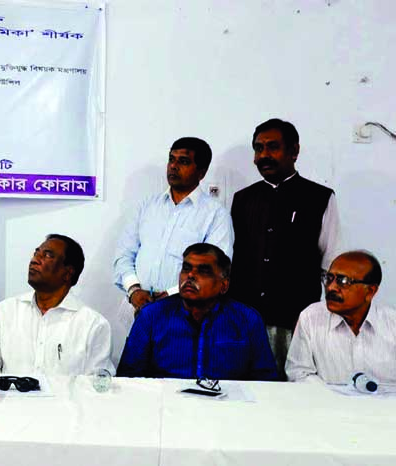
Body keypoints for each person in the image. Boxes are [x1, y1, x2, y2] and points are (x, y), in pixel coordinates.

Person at [230, 118, 340, 377]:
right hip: (244, 320)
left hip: (294, 322)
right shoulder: (242, 199)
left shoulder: (319, 197)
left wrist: (322, 319)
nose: (263, 155)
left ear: (294, 151)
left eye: (272, 147)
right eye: (258, 148)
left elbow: (331, 263)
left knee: (290, 394)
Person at [111, 137, 233, 364]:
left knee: (174, 377)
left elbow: (214, 269)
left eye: (184, 161)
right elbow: (123, 255)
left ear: (202, 171)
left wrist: (168, 296)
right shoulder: (147, 206)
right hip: (135, 309)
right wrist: (134, 291)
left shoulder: (215, 215)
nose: (173, 167)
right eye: (171, 160)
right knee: (132, 381)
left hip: (182, 315)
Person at [117, 243, 277, 380]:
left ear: (224, 285)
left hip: (228, 409)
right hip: (166, 407)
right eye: (186, 269)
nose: (191, 275)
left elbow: (265, 381)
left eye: (204, 271)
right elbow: (128, 378)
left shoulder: (248, 320)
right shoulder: (151, 316)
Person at [0, 234, 114, 376]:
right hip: (10, 398)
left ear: (68, 272)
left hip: (67, 399)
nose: (34, 260)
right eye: (36, 253)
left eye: (47, 255)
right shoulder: (5, 312)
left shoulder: (93, 324)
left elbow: (97, 385)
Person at [286, 251, 395, 384]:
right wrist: (333, 399)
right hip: (328, 403)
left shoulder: (392, 323)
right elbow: (298, 373)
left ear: (370, 291)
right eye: (328, 278)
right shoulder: (310, 317)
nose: (331, 287)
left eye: (343, 281)